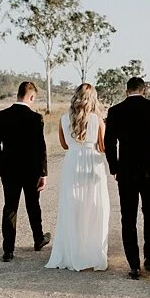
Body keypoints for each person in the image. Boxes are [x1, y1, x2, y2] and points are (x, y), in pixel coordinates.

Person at [104, 76, 150, 280]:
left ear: (126, 91)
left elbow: (109, 142)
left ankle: (134, 265)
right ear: (145, 90)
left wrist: (114, 167)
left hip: (126, 170)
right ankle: (149, 257)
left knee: (128, 217)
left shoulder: (115, 111)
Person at [45, 83, 109, 271]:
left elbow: (64, 145)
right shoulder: (97, 120)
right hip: (92, 162)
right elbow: (103, 147)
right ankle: (92, 251)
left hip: (72, 162)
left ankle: (73, 251)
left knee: (72, 206)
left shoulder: (64, 119)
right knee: (94, 205)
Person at [0, 81, 51, 262]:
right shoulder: (36, 118)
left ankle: (8, 250)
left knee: (10, 207)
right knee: (33, 205)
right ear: (31, 97)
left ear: (18, 94)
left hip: (9, 170)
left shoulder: (1, 115)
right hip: (31, 170)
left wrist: (2, 162)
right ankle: (38, 239)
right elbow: (41, 148)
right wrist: (43, 173)